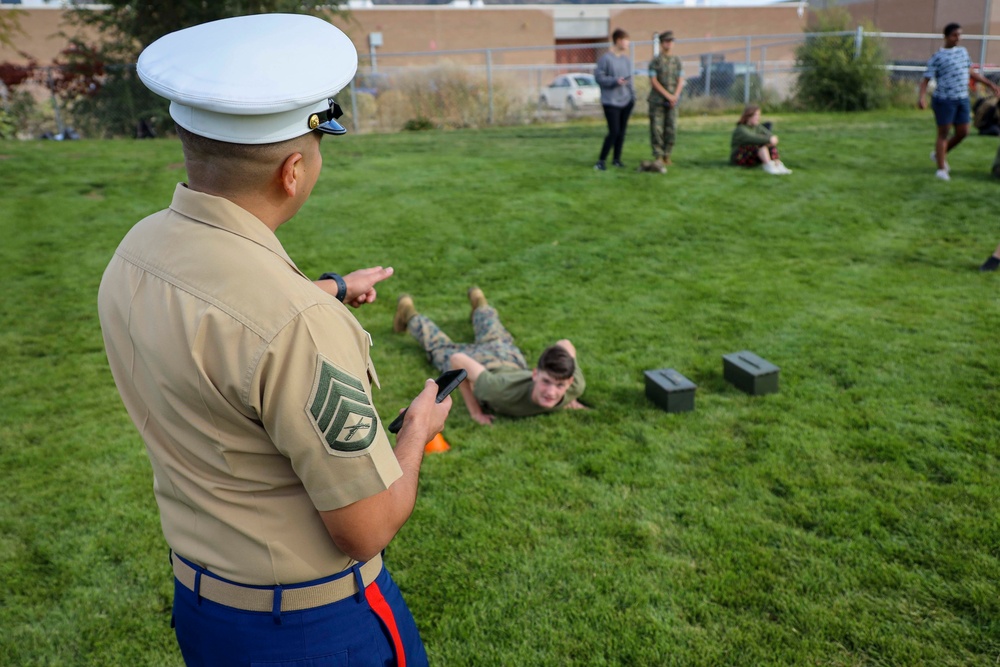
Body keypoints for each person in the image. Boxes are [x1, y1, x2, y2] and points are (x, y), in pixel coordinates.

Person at [97, 14, 451, 667]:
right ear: (293, 170)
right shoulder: (297, 328)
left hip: (206, 610)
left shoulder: (136, 250)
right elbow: (364, 524)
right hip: (312, 626)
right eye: (318, 149)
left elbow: (221, 325)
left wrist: (332, 288)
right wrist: (415, 431)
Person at [393, 287, 587, 426]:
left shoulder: (575, 386)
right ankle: (408, 312)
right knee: (439, 347)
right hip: (480, 363)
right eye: (546, 382)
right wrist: (475, 412)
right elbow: (458, 360)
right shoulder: (499, 391)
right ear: (535, 374)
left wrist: (569, 398)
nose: (552, 392)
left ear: (570, 382)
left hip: (507, 355)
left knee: (492, 326)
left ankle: (479, 301)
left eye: (560, 385)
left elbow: (565, 344)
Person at [918, 22, 1000, 181]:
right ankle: (941, 170)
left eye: (959, 35)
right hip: (944, 101)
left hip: (962, 99)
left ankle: (938, 154)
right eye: (955, 35)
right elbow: (925, 80)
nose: (958, 38)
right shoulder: (938, 56)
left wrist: (989, 84)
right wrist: (921, 97)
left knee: (963, 132)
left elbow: (970, 72)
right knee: (943, 133)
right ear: (946, 36)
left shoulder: (962, 52)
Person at [594, 28, 636, 171]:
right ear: (618, 41)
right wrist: (614, 81)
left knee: (622, 132)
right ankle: (601, 161)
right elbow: (599, 77)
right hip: (610, 102)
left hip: (626, 101)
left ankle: (617, 159)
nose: (628, 43)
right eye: (626, 40)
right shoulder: (606, 59)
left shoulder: (626, 60)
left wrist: (632, 97)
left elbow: (631, 80)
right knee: (614, 131)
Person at [647, 30, 685, 173]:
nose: (669, 44)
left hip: (673, 100)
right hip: (657, 100)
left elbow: (680, 80)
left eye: (671, 41)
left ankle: (667, 154)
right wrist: (667, 96)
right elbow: (653, 81)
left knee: (671, 128)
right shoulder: (655, 61)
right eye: (666, 41)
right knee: (657, 129)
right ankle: (658, 155)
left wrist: (675, 96)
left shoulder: (677, 61)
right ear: (662, 43)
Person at [730, 105, 791, 175]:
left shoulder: (757, 126)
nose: (758, 117)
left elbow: (770, 136)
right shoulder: (740, 129)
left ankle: (777, 164)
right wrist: (769, 139)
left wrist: (771, 139)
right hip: (739, 156)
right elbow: (752, 138)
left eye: (759, 115)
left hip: (752, 153)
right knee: (762, 146)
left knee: (769, 144)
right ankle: (768, 165)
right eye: (756, 115)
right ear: (748, 116)